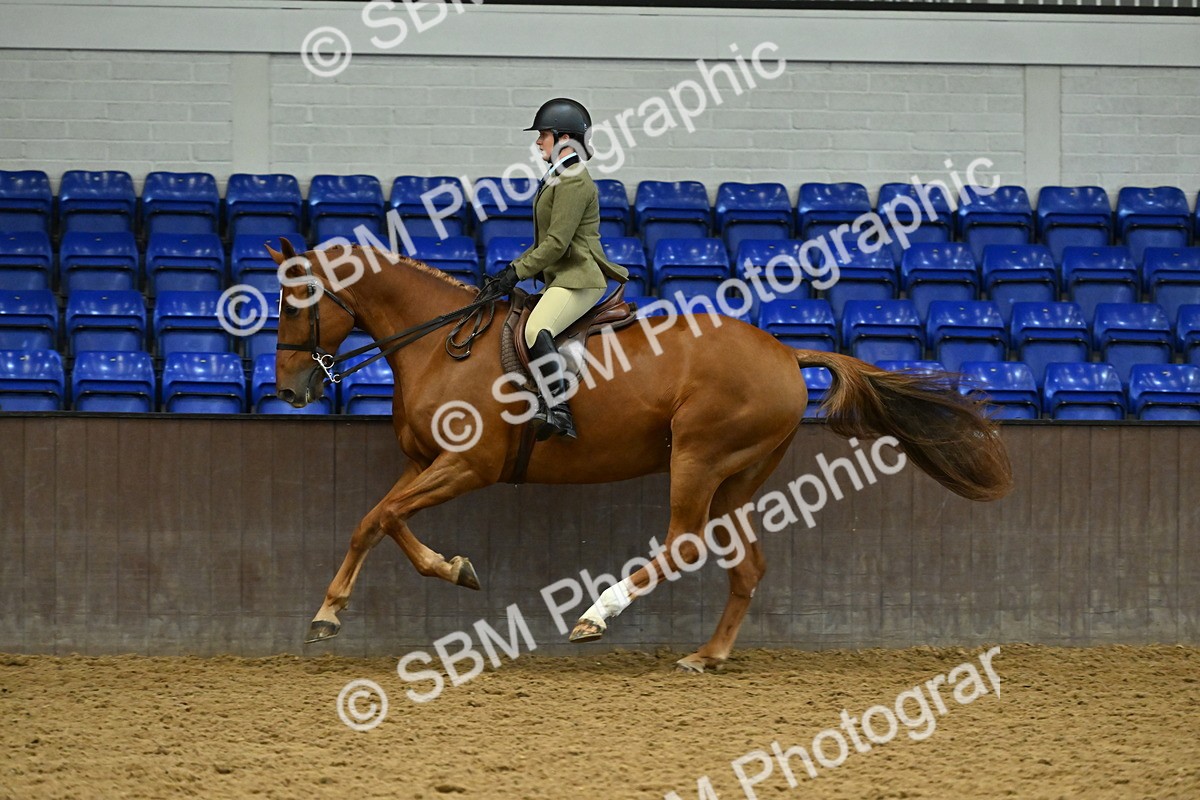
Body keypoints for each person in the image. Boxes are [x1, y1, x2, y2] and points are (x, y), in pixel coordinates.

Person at [491, 98, 628, 440]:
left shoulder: (574, 180)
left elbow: (556, 244)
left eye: (544, 134)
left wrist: (516, 273)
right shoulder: (558, 177)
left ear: (564, 138)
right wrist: (508, 272)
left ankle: (559, 411)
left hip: (579, 278)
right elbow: (544, 244)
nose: (538, 141)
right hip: (563, 278)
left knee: (536, 329)